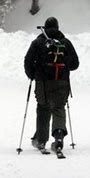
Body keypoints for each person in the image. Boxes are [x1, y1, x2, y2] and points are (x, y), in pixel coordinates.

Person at [24, 17, 79, 152]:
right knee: (59, 109)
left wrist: (32, 75)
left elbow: (28, 61)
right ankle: (59, 138)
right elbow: (75, 64)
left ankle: (41, 141)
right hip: (62, 83)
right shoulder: (65, 43)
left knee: (43, 108)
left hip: (42, 83)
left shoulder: (38, 43)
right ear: (57, 27)